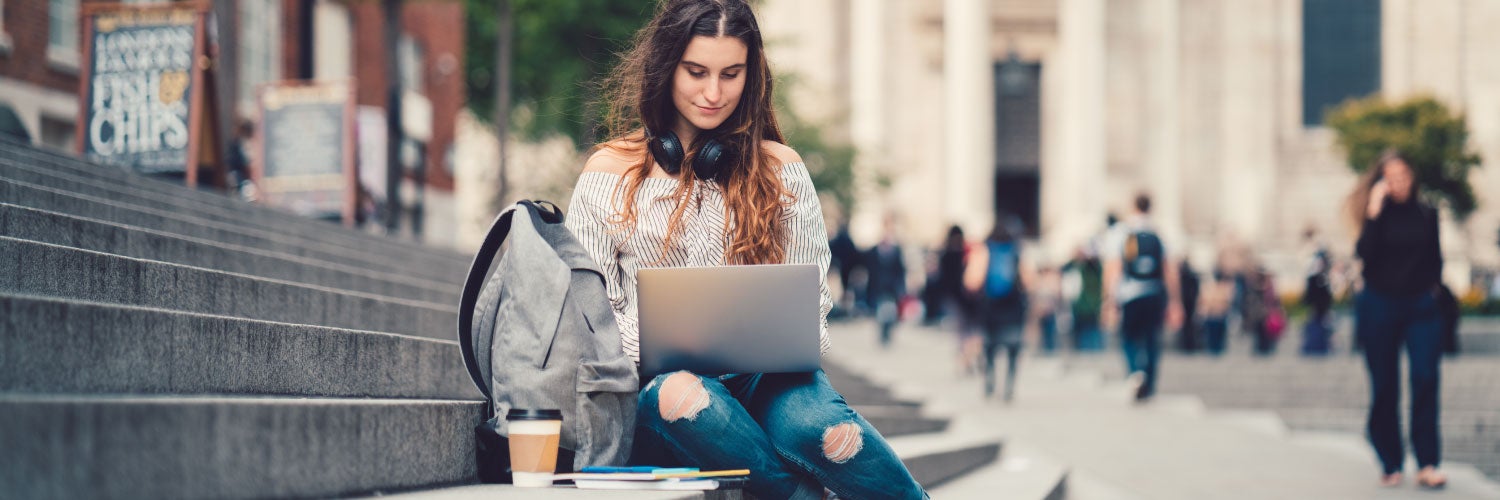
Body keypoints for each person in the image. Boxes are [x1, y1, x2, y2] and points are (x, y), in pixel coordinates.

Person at [565, 2, 926, 498]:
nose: (713, 93)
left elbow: (812, 300)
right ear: (666, 67)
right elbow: (587, 313)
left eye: (730, 74)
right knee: (686, 398)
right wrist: (658, 344)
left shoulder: (781, 169)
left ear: (751, 76)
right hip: (655, 386)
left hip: (768, 381)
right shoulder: (610, 172)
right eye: (696, 72)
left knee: (832, 434)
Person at [1347, 149, 1447, 489]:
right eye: (1391, 179)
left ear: (1412, 177)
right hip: (1379, 306)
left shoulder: (1427, 213)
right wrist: (1374, 212)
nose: (1399, 184)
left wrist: (1432, 291)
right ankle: (1390, 460)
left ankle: (1428, 462)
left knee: (1425, 377)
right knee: (1384, 385)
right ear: (1380, 183)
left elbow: (1436, 258)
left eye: (1403, 176)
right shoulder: (1376, 216)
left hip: (1420, 307)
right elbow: (1364, 255)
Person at [1102, 193, 1183, 402]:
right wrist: (1175, 301)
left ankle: (1135, 373)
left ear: (1132, 206)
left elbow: (1114, 269)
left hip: (1129, 294)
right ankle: (1150, 382)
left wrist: (1109, 300)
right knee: (1152, 339)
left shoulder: (1121, 232)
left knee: (1129, 337)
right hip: (1154, 293)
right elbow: (1169, 270)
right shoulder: (1160, 232)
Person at [964, 215, 1031, 401]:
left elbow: (972, 281)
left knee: (990, 348)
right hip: (1013, 308)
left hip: (991, 308)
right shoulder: (1017, 250)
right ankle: (1009, 385)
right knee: (1013, 348)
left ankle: (990, 381)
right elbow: (1028, 281)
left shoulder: (984, 250)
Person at [865, 216, 908, 347]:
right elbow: (870, 268)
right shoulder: (875, 249)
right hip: (878, 286)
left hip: (892, 287)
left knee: (890, 311)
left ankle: (887, 332)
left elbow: (901, 270)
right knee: (880, 311)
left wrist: (901, 286)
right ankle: (883, 333)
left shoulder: (896, 250)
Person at [1063, 245, 1105, 352]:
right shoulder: (1076, 269)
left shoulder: (1093, 269)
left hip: (1092, 307)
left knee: (1092, 336)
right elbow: (1064, 268)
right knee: (1080, 338)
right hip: (1079, 308)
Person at [1301, 227, 1335, 355]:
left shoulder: (1317, 252)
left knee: (1319, 321)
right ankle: (1316, 345)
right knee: (1318, 321)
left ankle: (1318, 345)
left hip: (1319, 293)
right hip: (1318, 293)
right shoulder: (1315, 252)